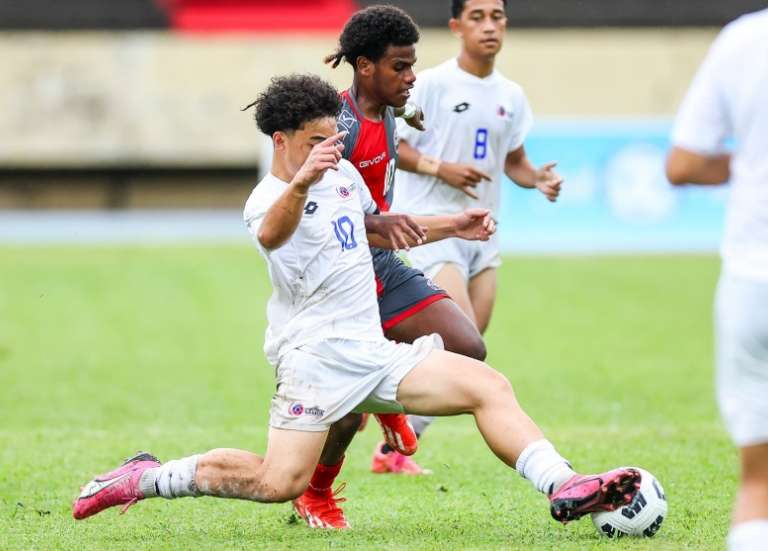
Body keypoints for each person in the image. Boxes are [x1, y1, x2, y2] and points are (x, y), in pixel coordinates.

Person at [72, 74, 640, 534]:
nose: (330, 149)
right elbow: (272, 236)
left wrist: (452, 225)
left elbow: (373, 228)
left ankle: (565, 483)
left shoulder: (342, 172)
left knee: (487, 384)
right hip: (313, 361)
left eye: (332, 138)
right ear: (281, 141)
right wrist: (300, 186)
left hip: (371, 349)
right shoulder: (267, 199)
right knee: (278, 483)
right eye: (316, 141)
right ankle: (144, 477)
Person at [291, 4, 502, 530]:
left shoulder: (390, 108)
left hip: (381, 264)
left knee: (469, 345)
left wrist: (444, 220)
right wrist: (382, 224)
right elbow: (314, 220)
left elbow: (403, 140)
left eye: (412, 66)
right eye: (400, 67)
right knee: (347, 413)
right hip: (335, 277)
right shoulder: (332, 128)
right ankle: (316, 491)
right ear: (365, 67)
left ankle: (387, 391)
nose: (411, 78)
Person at [391, 0, 564, 467]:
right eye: (477, 17)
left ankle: (393, 439)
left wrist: (538, 179)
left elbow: (514, 162)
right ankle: (385, 414)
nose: (489, 26)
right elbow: (393, 144)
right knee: (462, 343)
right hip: (434, 226)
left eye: (497, 16)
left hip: (483, 232)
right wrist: (439, 168)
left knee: (470, 344)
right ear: (455, 26)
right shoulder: (431, 83)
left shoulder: (512, 94)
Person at [666, 8, 768, 551]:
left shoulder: (743, 40)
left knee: (759, 481)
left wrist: (751, 165)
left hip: (754, 280)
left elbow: (682, 164)